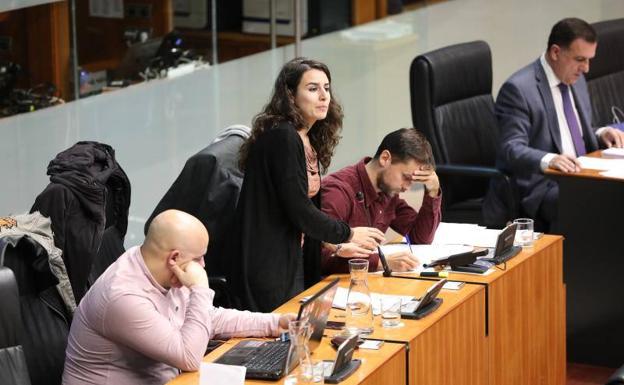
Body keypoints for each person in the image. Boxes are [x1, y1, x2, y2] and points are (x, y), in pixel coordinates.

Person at [62, 210, 294, 385]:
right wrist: (200, 288)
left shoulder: (157, 266)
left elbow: (208, 319)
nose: (203, 266)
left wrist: (275, 323)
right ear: (174, 258)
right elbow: (189, 357)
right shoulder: (122, 296)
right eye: (199, 258)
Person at [231, 58, 385, 312]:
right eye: (313, 89)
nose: (324, 96)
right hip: (269, 265)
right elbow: (299, 210)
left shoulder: (306, 138)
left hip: (297, 258)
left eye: (327, 88)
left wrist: (334, 246)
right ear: (290, 95)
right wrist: (347, 232)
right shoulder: (283, 137)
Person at [487, 17, 624, 230]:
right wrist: (551, 160)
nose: (586, 68)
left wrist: (601, 133)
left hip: (582, 173)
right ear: (556, 52)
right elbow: (510, 148)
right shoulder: (519, 90)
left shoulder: (575, 79)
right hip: (542, 184)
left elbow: (574, 130)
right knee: (598, 203)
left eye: (589, 60)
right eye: (580, 59)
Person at [320, 128, 442, 273]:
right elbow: (320, 257)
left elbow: (420, 239)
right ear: (385, 158)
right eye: (406, 177)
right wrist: (380, 262)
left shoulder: (388, 193)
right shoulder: (337, 192)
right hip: (332, 288)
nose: (407, 187)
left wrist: (432, 191)